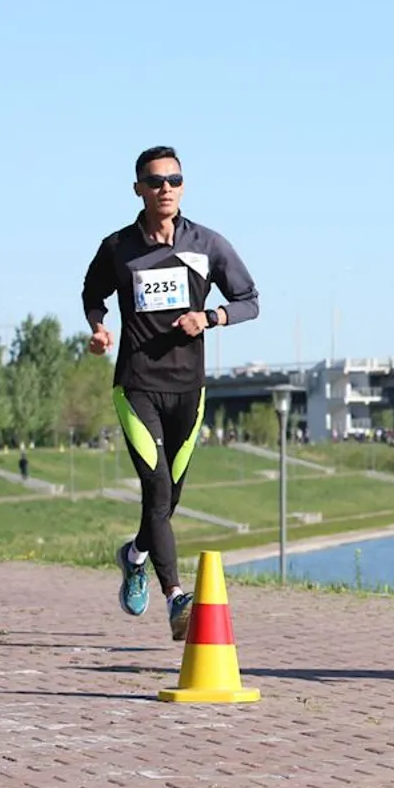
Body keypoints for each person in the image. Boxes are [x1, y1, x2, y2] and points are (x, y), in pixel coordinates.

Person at [81, 146, 260, 639]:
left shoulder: (208, 244)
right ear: (138, 188)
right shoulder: (118, 248)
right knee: (156, 490)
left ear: (183, 186)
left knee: (169, 498)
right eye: (156, 181)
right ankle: (175, 596)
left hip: (189, 390)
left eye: (174, 180)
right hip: (137, 386)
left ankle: (134, 555)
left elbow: (249, 301)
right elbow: (91, 294)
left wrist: (210, 316)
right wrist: (98, 328)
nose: (166, 188)